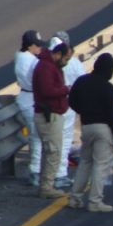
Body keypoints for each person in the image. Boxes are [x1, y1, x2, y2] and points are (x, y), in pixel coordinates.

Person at [67, 53, 113, 213]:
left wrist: (83, 111)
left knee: (85, 162)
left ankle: (74, 198)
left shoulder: (82, 81)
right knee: (100, 165)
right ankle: (95, 201)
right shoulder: (108, 88)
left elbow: (72, 101)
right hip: (104, 129)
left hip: (87, 126)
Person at [48, 30, 86, 189]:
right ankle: (60, 175)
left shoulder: (44, 61)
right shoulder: (74, 63)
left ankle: (45, 175)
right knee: (63, 141)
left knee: (48, 142)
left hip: (47, 106)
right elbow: (83, 84)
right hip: (66, 107)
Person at [32, 41, 71, 199]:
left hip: (52, 114)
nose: (66, 62)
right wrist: (66, 89)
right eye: (66, 58)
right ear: (59, 54)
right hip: (48, 115)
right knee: (53, 151)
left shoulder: (49, 66)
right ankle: (47, 186)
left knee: (50, 151)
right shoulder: (46, 67)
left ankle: (46, 184)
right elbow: (47, 90)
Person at [14, 30, 45, 187]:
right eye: (37, 46)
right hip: (31, 100)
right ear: (30, 45)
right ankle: (35, 171)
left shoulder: (20, 57)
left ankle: (36, 169)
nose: (39, 48)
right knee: (37, 137)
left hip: (25, 98)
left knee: (36, 137)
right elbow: (38, 81)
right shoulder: (31, 61)